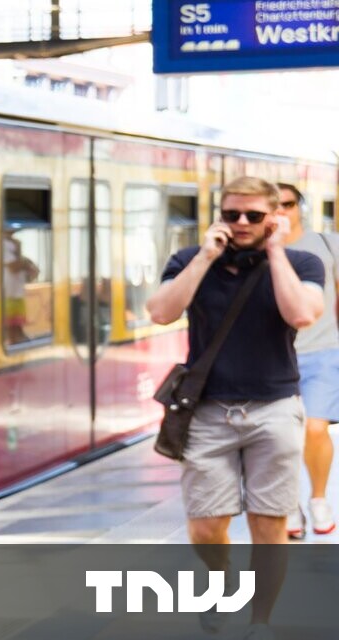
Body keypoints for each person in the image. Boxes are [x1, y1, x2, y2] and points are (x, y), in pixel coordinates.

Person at [146, 177, 324, 640]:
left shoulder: (302, 261)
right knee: (206, 527)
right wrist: (205, 257)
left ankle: (260, 620)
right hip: (208, 411)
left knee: (269, 524)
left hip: (275, 408)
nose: (241, 223)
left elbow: (302, 314)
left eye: (254, 216)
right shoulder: (189, 259)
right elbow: (160, 312)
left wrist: (277, 251)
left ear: (275, 217)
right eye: (232, 214)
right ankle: (223, 578)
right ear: (219, 216)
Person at [276, 183, 339, 539]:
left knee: (315, 429)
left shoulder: (328, 244)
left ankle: (318, 499)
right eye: (275, 205)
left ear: (300, 206)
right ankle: (288, 506)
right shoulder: (258, 250)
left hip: (324, 353)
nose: (282, 211)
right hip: (274, 358)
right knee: (281, 438)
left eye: (288, 203)